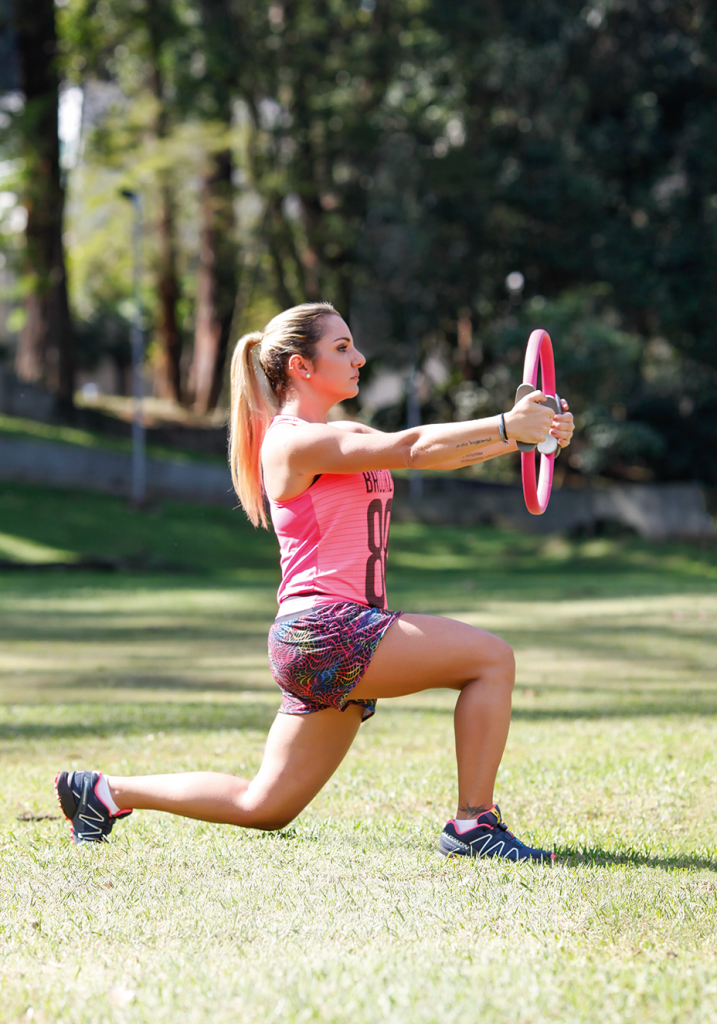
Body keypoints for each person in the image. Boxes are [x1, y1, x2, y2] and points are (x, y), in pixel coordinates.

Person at [55, 301, 574, 860]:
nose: (360, 358)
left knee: (264, 807)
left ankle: (102, 792)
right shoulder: (290, 443)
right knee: (491, 660)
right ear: (301, 366)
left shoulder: (341, 433)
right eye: (342, 348)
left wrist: (525, 435)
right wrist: (507, 426)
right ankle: (474, 824)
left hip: (324, 636)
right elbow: (412, 447)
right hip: (328, 630)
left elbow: (431, 453)